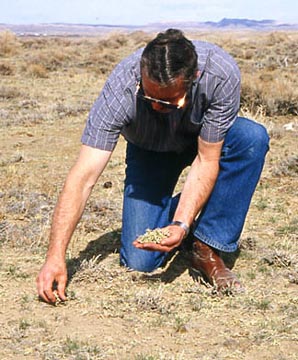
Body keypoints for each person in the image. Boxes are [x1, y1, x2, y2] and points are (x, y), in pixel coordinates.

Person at [37, 29, 269, 303]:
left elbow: (207, 159)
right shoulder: (121, 88)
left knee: (250, 138)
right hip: (150, 149)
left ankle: (206, 247)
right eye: (150, 99)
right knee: (141, 261)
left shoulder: (219, 74)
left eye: (170, 101)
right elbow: (83, 177)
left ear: (193, 79)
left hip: (202, 141)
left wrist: (182, 224)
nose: (158, 107)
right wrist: (55, 256)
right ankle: (174, 217)